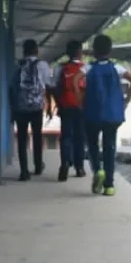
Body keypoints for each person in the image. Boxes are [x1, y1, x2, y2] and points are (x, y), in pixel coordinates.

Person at [79, 34, 131, 196]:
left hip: (92, 113)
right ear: (110, 50)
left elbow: (75, 80)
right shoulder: (117, 68)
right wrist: (126, 101)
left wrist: (81, 99)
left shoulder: (88, 68)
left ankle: (97, 169)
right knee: (109, 147)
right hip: (113, 115)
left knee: (92, 143)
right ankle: (109, 186)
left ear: (94, 51)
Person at [9, 38, 53, 181]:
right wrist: (49, 106)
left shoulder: (17, 66)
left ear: (23, 51)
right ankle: (38, 166)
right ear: (36, 50)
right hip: (36, 106)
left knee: (22, 139)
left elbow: (12, 88)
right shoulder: (43, 65)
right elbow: (47, 85)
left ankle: (24, 172)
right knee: (37, 136)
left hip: (20, 107)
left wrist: (12, 109)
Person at [52, 40, 88, 181]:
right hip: (81, 108)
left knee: (66, 136)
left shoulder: (59, 68)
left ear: (67, 52)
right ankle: (79, 168)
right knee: (80, 137)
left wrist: (59, 102)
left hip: (66, 106)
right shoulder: (85, 68)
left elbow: (53, 86)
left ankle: (64, 165)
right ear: (80, 52)